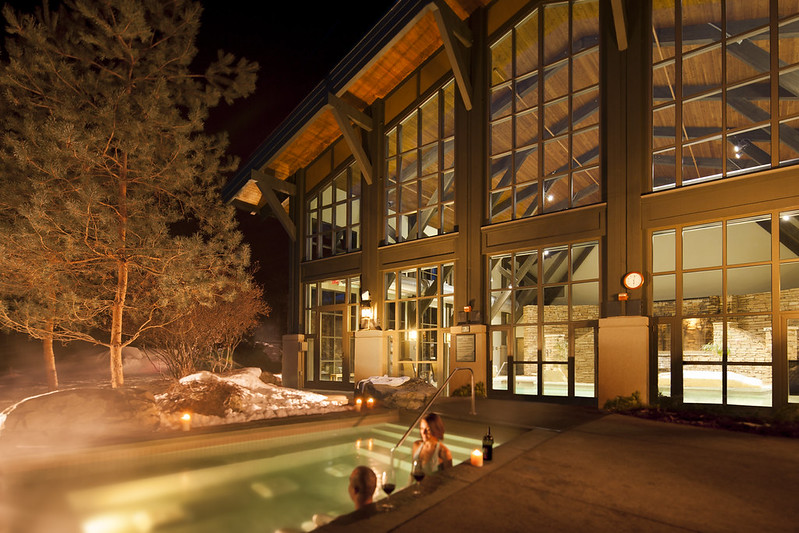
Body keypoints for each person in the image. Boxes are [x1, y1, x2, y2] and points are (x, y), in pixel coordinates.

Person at [311, 466, 377, 528]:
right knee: (319, 518)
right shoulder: (380, 512)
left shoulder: (343, 523)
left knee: (317, 519)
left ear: (355, 490)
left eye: (350, 482)